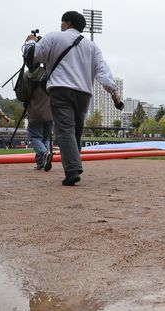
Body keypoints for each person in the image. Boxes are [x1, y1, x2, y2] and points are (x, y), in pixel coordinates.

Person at [24, 11, 123, 186]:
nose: (61, 25)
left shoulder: (53, 37)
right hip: (84, 94)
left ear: (67, 23)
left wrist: (30, 41)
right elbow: (103, 73)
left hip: (61, 90)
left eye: (62, 23)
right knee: (75, 132)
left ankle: (72, 170)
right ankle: (74, 166)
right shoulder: (92, 47)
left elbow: (33, 57)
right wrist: (114, 95)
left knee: (65, 130)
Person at [25, 65, 54, 171]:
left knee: (35, 137)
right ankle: (40, 162)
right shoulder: (51, 73)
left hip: (34, 110)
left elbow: (22, 94)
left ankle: (44, 154)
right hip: (49, 111)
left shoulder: (27, 75)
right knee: (44, 139)